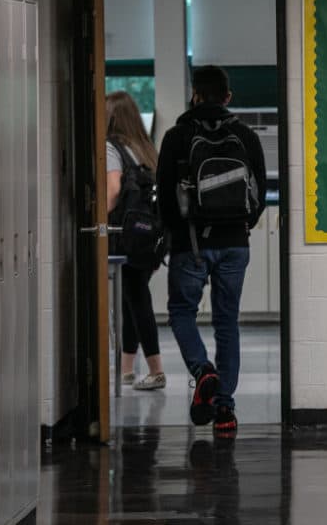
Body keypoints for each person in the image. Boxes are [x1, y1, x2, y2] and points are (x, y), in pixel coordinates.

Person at [157, 65, 266, 438]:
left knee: (181, 311)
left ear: (195, 95)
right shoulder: (245, 135)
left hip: (191, 243)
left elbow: (165, 197)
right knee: (227, 322)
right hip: (236, 243)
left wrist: (175, 236)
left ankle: (203, 371)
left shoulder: (176, 136)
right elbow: (260, 193)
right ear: (228, 97)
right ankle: (224, 412)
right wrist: (242, 227)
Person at [106, 91, 166, 391]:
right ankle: (127, 369)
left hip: (124, 236)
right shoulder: (144, 148)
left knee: (136, 300)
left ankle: (156, 369)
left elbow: (113, 190)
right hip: (149, 235)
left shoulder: (111, 147)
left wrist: (98, 219)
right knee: (133, 297)